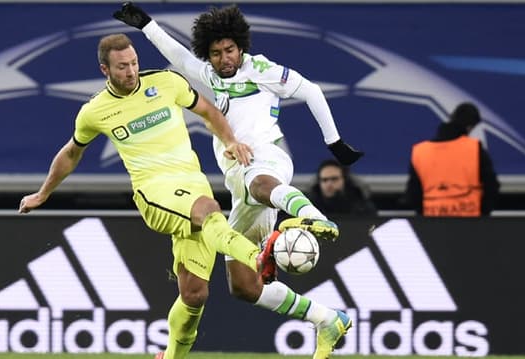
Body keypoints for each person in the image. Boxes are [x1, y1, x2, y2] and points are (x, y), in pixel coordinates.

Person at [114, 4, 356, 358]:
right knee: (244, 286)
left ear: (240, 46)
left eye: (229, 50)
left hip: (268, 160)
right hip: (239, 186)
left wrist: (333, 141)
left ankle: (314, 217)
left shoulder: (262, 69)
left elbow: (313, 91)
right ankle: (327, 319)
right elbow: (179, 57)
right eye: (216, 53)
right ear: (208, 55)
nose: (224, 58)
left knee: (259, 183)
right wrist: (148, 25)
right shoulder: (211, 76)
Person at [19, 33, 276, 359]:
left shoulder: (167, 82)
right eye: (122, 67)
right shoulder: (95, 111)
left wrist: (230, 141)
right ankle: (256, 257)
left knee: (195, 295)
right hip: (154, 191)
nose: (131, 71)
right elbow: (71, 153)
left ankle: (169, 357)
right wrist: (43, 194)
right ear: (105, 70)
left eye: (134, 63)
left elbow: (209, 111)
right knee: (209, 209)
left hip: (192, 183)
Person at [404, 102, 500, 216]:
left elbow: (413, 193)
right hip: (471, 225)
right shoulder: (475, 149)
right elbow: (491, 187)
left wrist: (426, 216)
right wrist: (483, 214)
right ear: (470, 127)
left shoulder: (421, 152)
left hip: (432, 224)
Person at [310, 159, 377, 216]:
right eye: (324, 180)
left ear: (345, 179)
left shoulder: (362, 207)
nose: (329, 184)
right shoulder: (310, 207)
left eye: (334, 179)